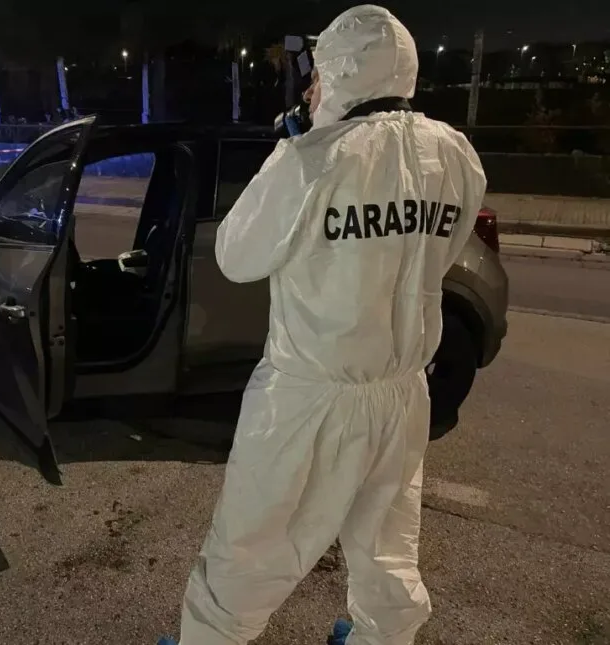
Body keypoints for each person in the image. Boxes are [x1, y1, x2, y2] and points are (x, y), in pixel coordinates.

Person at [158, 5, 487, 645]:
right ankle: (382, 638)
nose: (309, 90)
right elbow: (442, 254)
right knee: (387, 537)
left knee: (252, 543)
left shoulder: (314, 158)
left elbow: (236, 255)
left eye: (316, 77)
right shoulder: (454, 154)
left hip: (308, 398)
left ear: (340, 74)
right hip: (401, 391)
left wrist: (288, 147)